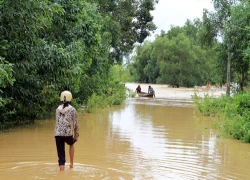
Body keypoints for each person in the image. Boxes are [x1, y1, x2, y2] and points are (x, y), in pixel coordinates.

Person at [54, 90, 79, 171]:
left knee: (61, 157)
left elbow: (58, 122)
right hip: (67, 134)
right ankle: (71, 163)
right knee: (72, 143)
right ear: (70, 99)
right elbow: (75, 124)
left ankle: (61, 172)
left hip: (57, 134)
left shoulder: (57, 109)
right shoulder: (72, 110)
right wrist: (76, 135)